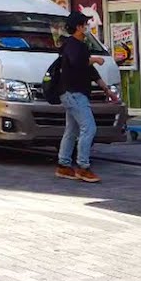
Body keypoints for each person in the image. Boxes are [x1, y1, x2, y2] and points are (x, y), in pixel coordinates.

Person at [55, 11, 113, 184]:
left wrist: (106, 89)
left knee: (72, 130)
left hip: (71, 93)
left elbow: (90, 72)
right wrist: (94, 59)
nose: (88, 27)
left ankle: (64, 165)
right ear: (79, 27)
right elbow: (78, 63)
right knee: (89, 128)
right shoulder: (73, 45)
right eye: (85, 24)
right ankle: (83, 167)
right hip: (75, 93)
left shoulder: (78, 45)